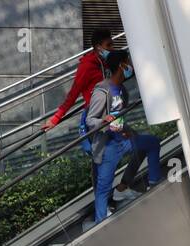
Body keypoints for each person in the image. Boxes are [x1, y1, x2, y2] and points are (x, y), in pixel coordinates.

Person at [86, 51, 161, 224]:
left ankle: (154, 182)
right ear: (121, 65)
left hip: (123, 139)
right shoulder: (102, 90)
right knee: (103, 189)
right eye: (128, 63)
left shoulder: (122, 90)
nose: (131, 67)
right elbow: (91, 120)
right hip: (108, 147)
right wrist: (103, 120)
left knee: (151, 143)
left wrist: (128, 131)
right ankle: (101, 224)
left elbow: (119, 117)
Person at [42, 28, 114, 131]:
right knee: (105, 144)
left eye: (112, 44)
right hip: (96, 114)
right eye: (108, 45)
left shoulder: (106, 61)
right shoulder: (87, 66)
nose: (112, 48)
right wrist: (56, 117)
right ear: (99, 47)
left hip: (110, 110)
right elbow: (74, 92)